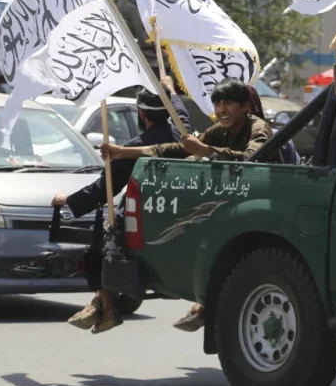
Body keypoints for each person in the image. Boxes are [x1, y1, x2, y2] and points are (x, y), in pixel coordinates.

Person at [101, 78, 273, 331]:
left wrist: (206, 151)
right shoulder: (220, 130)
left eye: (229, 103)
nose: (222, 109)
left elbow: (252, 159)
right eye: (218, 104)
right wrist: (123, 152)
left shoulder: (259, 127)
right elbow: (177, 148)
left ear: (245, 107)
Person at [52, 77, 191, 334]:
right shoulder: (185, 136)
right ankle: (98, 305)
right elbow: (181, 114)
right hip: (184, 213)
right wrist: (171, 92)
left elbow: (106, 188)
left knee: (97, 249)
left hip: (145, 217)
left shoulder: (136, 147)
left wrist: (68, 202)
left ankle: (105, 305)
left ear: (141, 113)